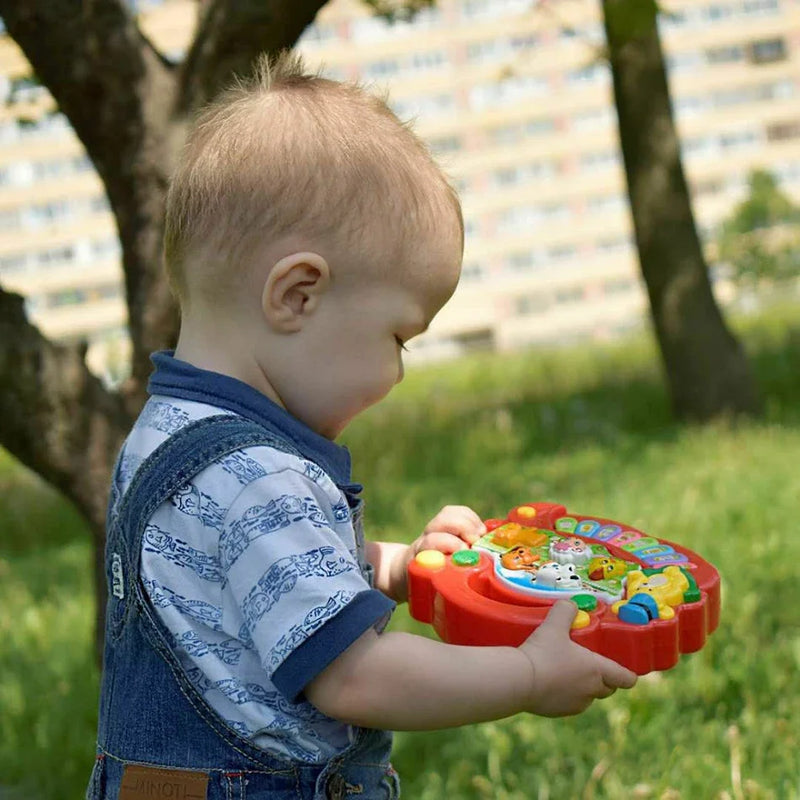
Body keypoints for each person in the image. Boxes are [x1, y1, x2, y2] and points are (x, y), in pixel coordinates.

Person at [87, 52, 637, 800]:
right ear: (299, 294)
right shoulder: (260, 476)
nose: (399, 372)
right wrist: (528, 675)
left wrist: (395, 568)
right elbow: (355, 678)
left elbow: (244, 585)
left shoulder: (166, 431)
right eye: (399, 338)